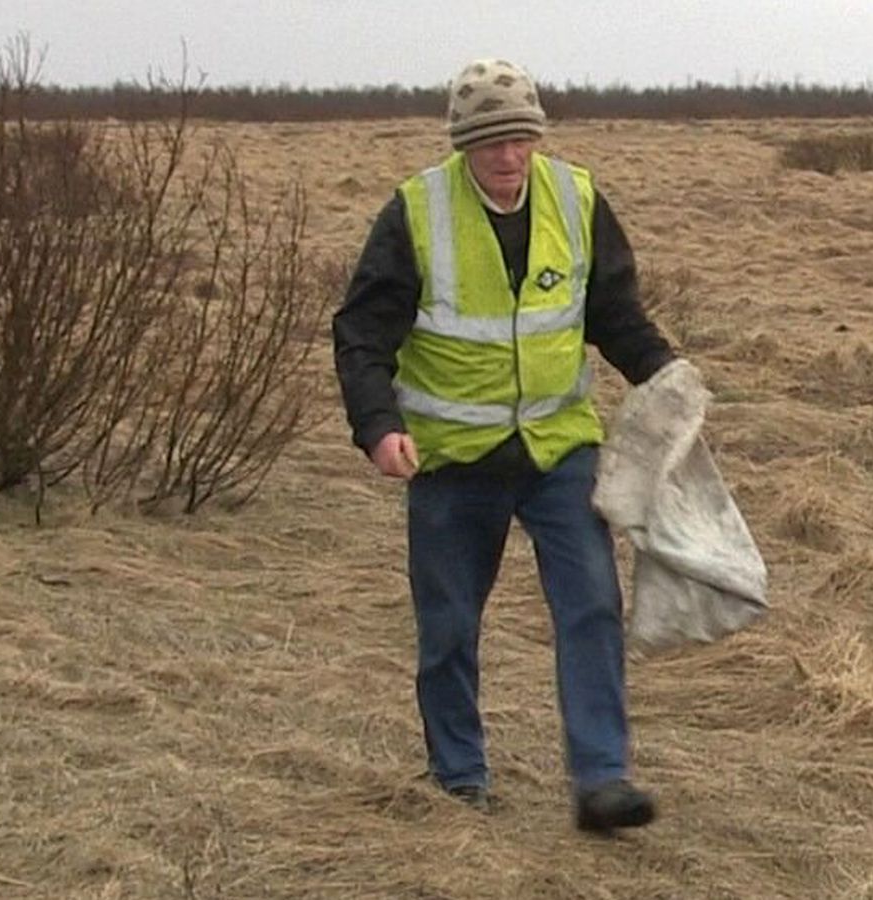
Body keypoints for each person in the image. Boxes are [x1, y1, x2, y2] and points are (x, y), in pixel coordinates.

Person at [333, 58, 675, 833]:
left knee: (590, 602)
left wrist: (665, 375)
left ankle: (601, 781)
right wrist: (379, 427)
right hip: (452, 459)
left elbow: (614, 312)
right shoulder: (416, 213)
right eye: (490, 141)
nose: (508, 155)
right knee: (449, 622)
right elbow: (362, 334)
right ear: (463, 144)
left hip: (559, 450)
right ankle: (459, 774)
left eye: (521, 137)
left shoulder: (575, 198)